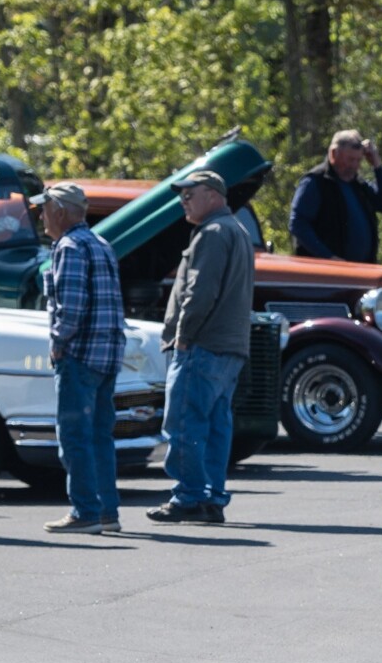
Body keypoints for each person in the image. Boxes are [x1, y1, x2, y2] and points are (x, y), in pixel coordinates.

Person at [150, 170, 255, 524]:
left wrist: (183, 335)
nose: (183, 201)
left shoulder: (211, 233)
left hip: (203, 345)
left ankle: (189, 497)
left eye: (189, 194)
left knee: (184, 423)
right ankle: (211, 498)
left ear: (212, 195)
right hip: (228, 347)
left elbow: (200, 292)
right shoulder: (236, 230)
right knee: (214, 425)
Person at [34, 182, 127, 535]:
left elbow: (70, 309)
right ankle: (106, 511)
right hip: (107, 355)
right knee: (101, 436)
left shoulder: (69, 247)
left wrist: (57, 342)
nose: (42, 216)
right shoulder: (101, 243)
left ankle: (85, 511)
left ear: (59, 211)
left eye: (45, 209)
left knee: (74, 436)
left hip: (80, 355)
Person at [287, 130, 382, 263]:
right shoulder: (316, 182)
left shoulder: (359, 185)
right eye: (350, 159)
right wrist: (328, 257)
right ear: (333, 154)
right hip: (326, 273)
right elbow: (297, 224)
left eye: (358, 160)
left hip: (362, 271)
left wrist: (377, 165)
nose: (354, 165)